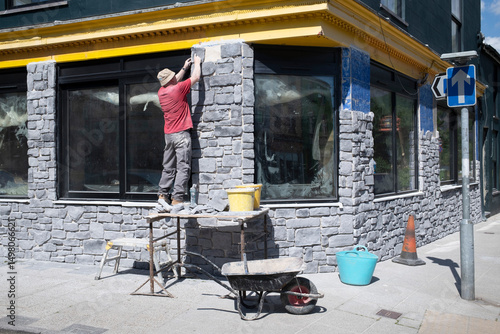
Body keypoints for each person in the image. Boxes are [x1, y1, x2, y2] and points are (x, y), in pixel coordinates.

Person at [157, 55, 201, 206]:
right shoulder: (179, 89)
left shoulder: (161, 92)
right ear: (171, 81)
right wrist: (197, 63)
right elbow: (196, 77)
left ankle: (162, 195)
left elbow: (174, 79)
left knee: (168, 166)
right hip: (181, 134)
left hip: (168, 135)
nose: (174, 78)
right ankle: (177, 199)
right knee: (183, 167)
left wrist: (184, 67)